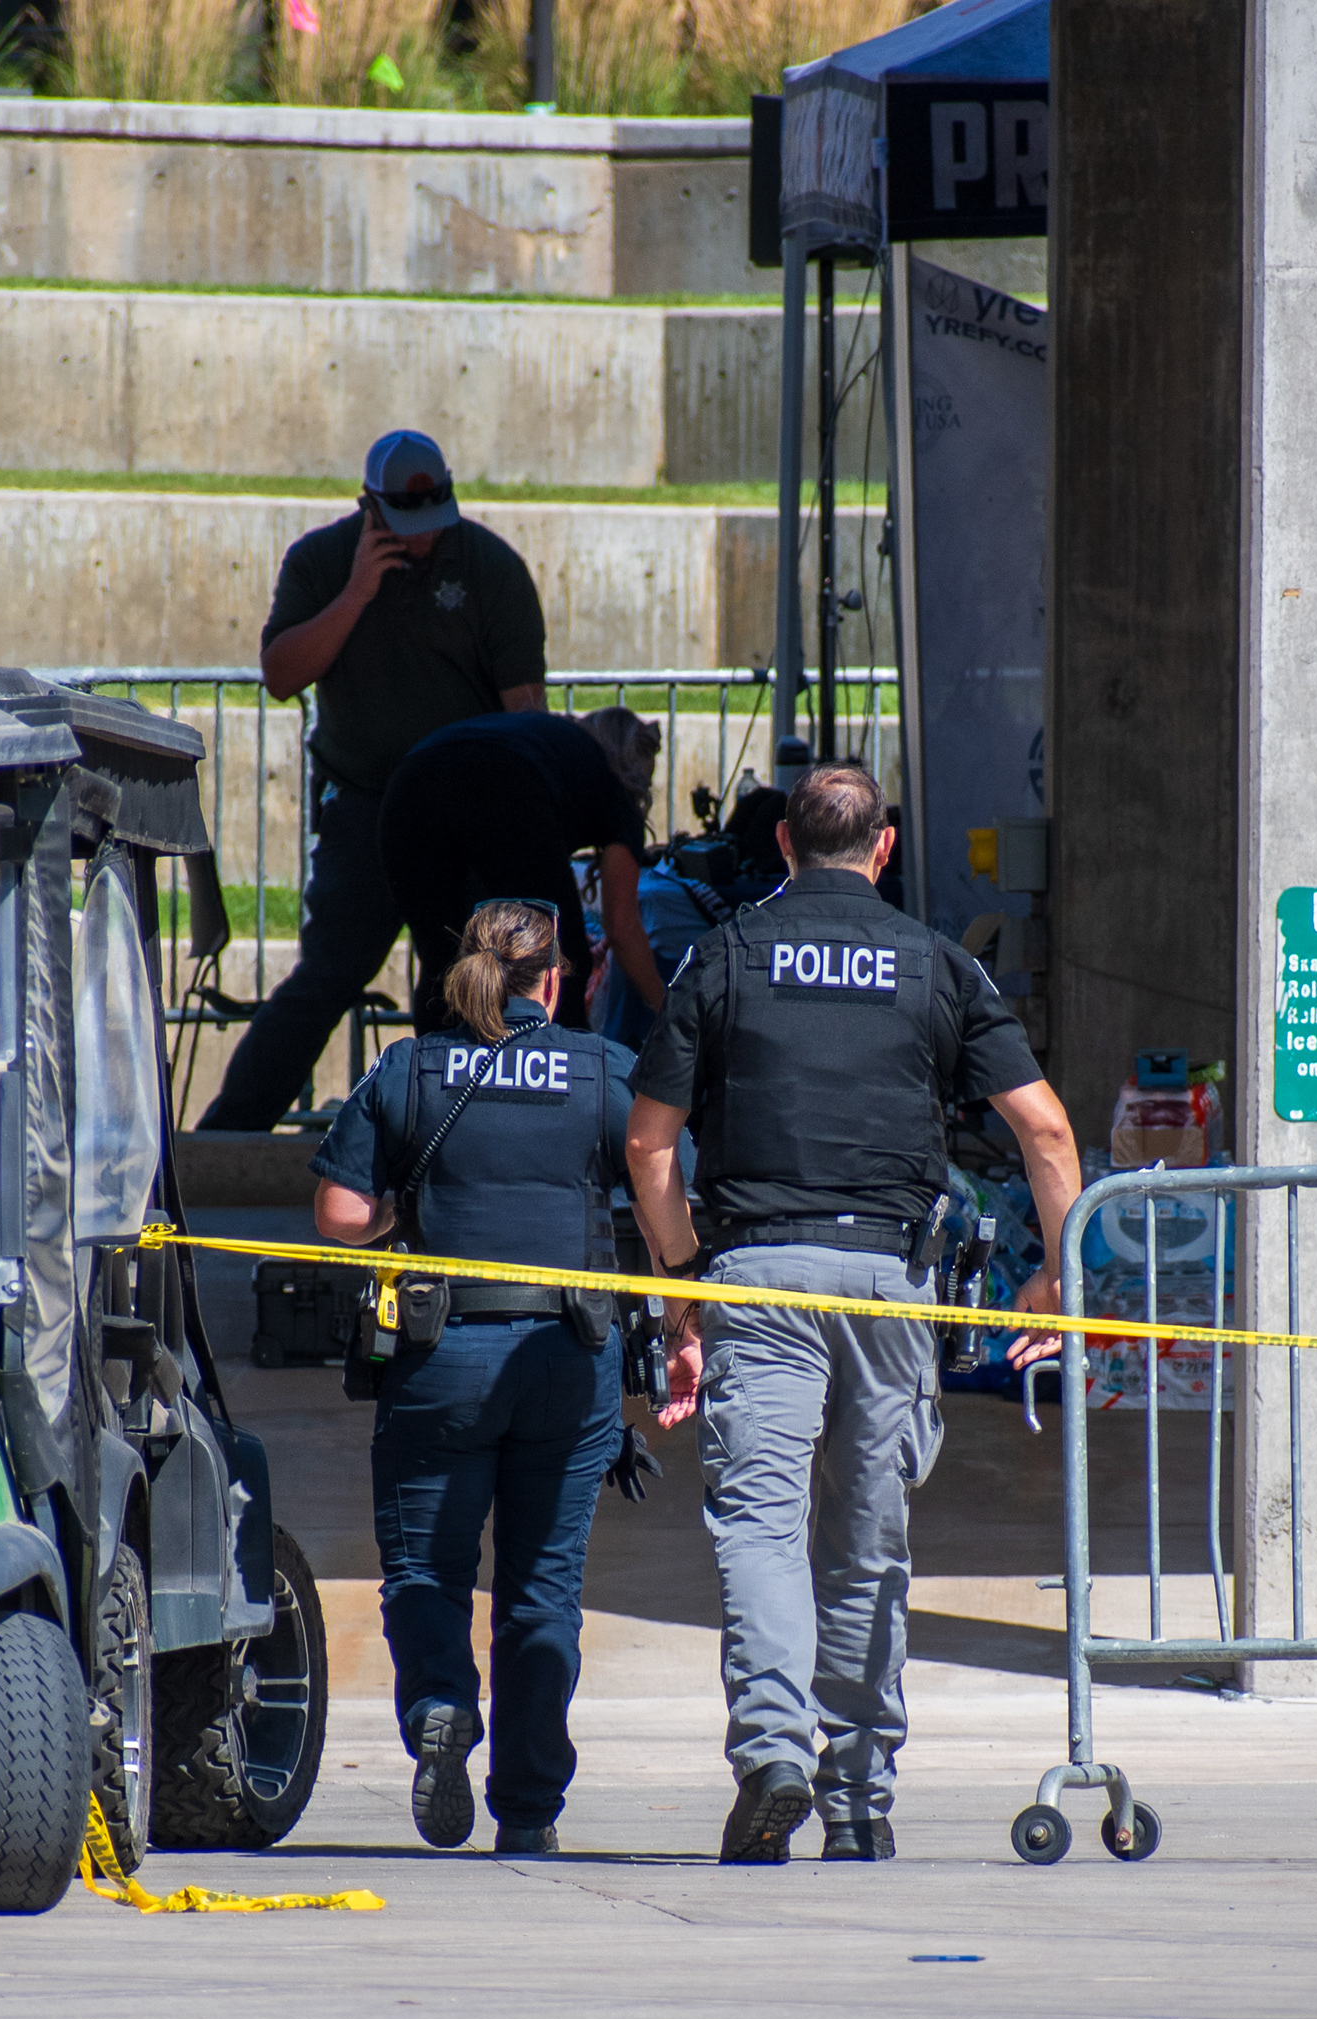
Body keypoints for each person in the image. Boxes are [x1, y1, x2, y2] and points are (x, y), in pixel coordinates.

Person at [623, 765, 1081, 1866]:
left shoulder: (724, 955)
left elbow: (648, 1145)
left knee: (763, 1530)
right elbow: (1049, 1132)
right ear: (883, 850)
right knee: (868, 1541)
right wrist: (1060, 1281)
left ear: (784, 844)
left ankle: (775, 1753)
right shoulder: (938, 965)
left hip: (760, 1275)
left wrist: (683, 1281)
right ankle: (859, 1793)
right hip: (889, 1286)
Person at [311, 899, 639, 1858]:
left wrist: (406, 1212)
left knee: (426, 1569)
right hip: (568, 1358)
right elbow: (663, 1180)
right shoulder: (602, 1071)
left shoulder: (410, 1068)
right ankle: (529, 1806)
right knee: (544, 1589)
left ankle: (442, 1711)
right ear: (557, 977)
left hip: (439, 1353)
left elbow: (339, 1210)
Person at [199, 431, 549, 1132]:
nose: (422, 542)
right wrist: (359, 590)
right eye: (404, 527)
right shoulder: (322, 562)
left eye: (433, 524)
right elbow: (281, 674)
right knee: (328, 975)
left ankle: (458, 1134)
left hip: (464, 815)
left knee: (461, 978)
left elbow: (526, 710)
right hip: (364, 804)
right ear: (371, 507)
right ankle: (225, 1137)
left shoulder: (490, 567)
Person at [378, 706, 663, 1030]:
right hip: (503, 779)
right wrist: (667, 1008)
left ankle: (433, 1072)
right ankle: (565, 1072)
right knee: (562, 960)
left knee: (447, 962)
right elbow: (622, 927)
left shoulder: (550, 740)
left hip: (408, 784)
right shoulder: (611, 784)